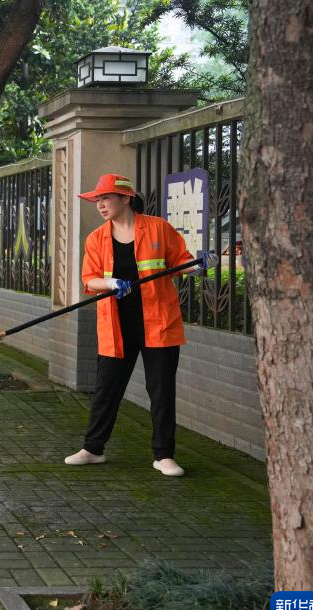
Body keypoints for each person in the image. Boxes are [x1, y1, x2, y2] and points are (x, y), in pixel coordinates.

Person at [64, 173, 216, 477]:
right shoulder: (97, 238)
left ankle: (164, 455)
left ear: (126, 198)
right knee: (107, 389)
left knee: (161, 390)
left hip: (157, 323)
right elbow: (88, 280)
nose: (100, 204)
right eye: (97, 200)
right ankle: (93, 448)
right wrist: (108, 282)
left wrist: (200, 265)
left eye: (106, 198)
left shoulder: (158, 228)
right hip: (116, 326)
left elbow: (182, 262)